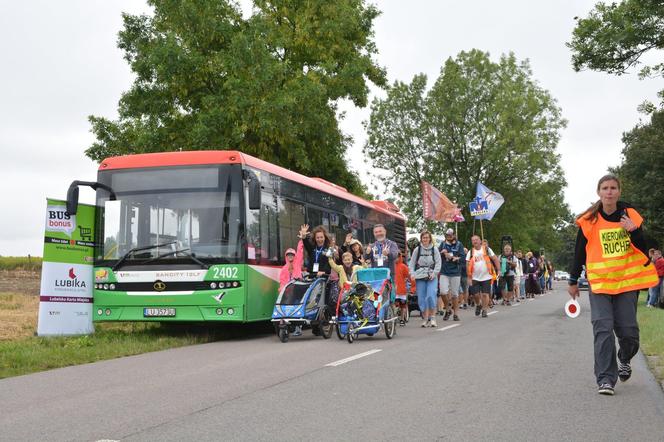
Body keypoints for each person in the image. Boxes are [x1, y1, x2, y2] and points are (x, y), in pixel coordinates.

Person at [568, 174, 659, 396]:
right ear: (599, 192)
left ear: (619, 192)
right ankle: (606, 379)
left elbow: (643, 248)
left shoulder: (630, 217)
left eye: (613, 188)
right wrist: (572, 280)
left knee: (628, 332)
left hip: (626, 283)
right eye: (605, 188)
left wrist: (633, 231)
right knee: (602, 329)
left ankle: (625, 358)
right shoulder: (589, 221)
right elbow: (579, 251)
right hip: (599, 284)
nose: (609, 192)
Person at [409, 230, 441, 327]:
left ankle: (433, 318)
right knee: (421, 299)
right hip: (420, 276)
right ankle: (425, 318)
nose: (425, 239)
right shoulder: (417, 250)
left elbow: (438, 263)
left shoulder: (434, 250)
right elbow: (412, 263)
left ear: (430, 239)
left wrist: (434, 273)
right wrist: (412, 274)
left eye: (427, 238)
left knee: (431, 296)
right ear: (421, 239)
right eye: (424, 238)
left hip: (431, 276)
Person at [466, 235, 499, 318]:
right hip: (474, 277)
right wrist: (469, 277)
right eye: (473, 240)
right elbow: (467, 264)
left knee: (485, 294)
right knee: (476, 295)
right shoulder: (471, 252)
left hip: (486, 276)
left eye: (476, 240)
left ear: (480, 241)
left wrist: (499, 270)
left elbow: (495, 259)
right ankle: (478, 304)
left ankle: (484, 310)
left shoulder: (487, 249)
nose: (475, 241)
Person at [439, 228, 465, 321]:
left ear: (454, 235)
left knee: (454, 294)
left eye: (451, 235)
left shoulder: (459, 244)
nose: (449, 237)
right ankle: (448, 309)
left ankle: (456, 314)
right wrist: (442, 253)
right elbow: (437, 256)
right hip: (444, 271)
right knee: (442, 292)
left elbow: (463, 258)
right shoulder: (442, 244)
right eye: (447, 235)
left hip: (455, 272)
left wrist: (455, 258)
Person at [394, 252, 415, 325]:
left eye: (397, 257)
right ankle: (394, 318)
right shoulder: (391, 266)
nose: (395, 259)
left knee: (402, 306)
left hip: (401, 290)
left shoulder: (403, 266)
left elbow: (410, 277)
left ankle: (402, 319)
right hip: (393, 290)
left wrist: (412, 288)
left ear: (400, 257)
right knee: (394, 305)